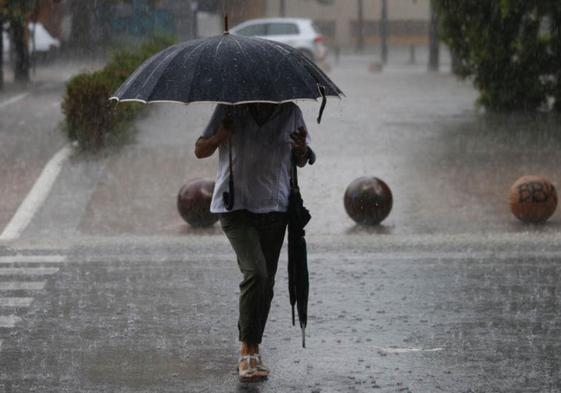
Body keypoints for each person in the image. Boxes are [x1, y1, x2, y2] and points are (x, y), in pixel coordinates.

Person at [194, 102, 310, 382]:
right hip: (235, 207)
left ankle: (254, 348)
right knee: (256, 273)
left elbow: (303, 158)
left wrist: (301, 149)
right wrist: (221, 135)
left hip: (274, 205)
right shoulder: (229, 108)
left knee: (266, 284)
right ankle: (246, 350)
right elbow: (200, 149)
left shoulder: (290, 111)